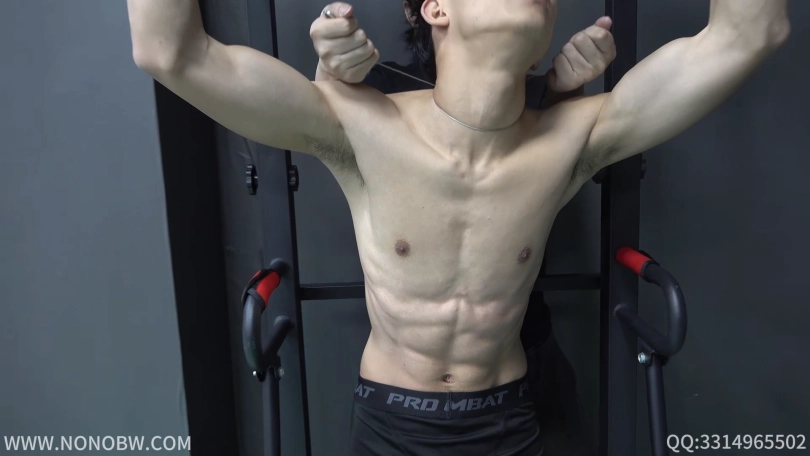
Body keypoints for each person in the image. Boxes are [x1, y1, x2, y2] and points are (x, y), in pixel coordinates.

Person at [127, 0, 790, 454]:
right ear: (437, 8)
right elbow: (170, 50)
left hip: (508, 422)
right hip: (392, 427)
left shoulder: (575, 135)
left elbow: (748, 33)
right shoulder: (360, 124)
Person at [308, 3, 615, 454]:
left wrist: (564, 94)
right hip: (408, 379)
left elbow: (553, 168)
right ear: (427, 10)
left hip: (521, 348)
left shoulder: (532, 86)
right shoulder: (383, 89)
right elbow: (329, 120)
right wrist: (328, 65)